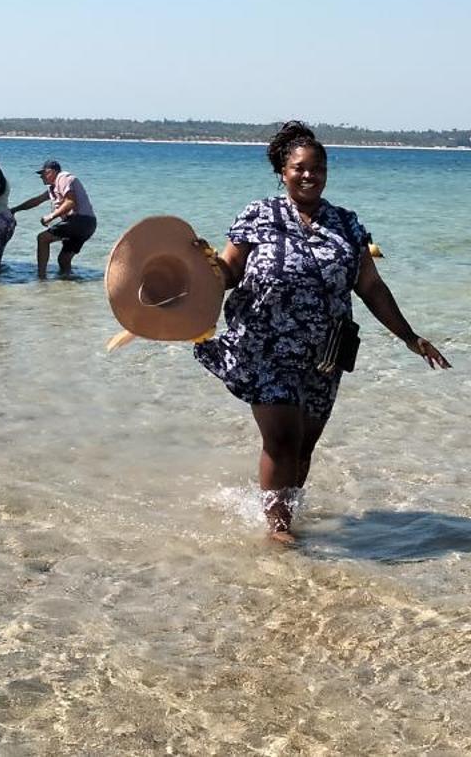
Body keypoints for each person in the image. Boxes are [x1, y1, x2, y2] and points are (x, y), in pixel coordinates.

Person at [193, 121, 450, 543]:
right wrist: (199, 266)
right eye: (300, 168)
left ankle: (285, 510)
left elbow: (371, 287)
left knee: (304, 446)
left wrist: (409, 336)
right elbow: (228, 274)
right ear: (283, 171)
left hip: (324, 354)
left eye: (318, 168)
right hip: (265, 344)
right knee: (281, 437)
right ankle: (278, 527)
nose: (309, 175)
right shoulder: (259, 214)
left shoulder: (346, 225)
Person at [12, 159, 97, 278]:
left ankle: (41, 277)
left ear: (53, 171)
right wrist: (15, 209)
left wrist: (50, 217)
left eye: (43, 173)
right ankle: (68, 286)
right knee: (63, 259)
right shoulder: (53, 188)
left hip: (80, 220)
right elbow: (36, 201)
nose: (41, 177)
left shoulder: (63, 178)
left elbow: (70, 202)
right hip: (88, 225)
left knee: (42, 238)